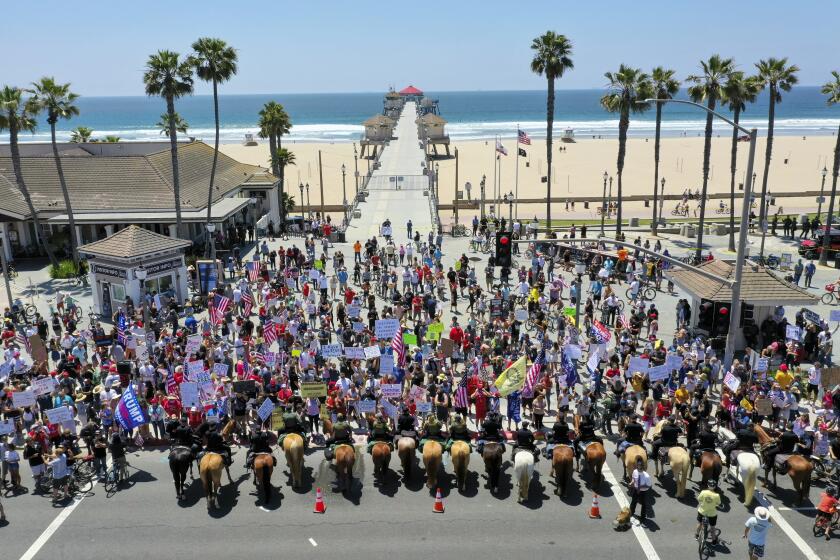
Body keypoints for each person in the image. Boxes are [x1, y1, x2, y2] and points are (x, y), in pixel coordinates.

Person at [629, 457, 652, 521]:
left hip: (643, 492)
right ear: (637, 466)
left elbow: (649, 485)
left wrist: (640, 487)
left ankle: (642, 517)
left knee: (643, 504)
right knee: (633, 501)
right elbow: (634, 478)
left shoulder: (646, 476)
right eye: (639, 465)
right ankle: (631, 512)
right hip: (636, 490)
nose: (640, 467)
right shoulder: (635, 471)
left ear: (643, 466)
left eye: (641, 466)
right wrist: (632, 482)